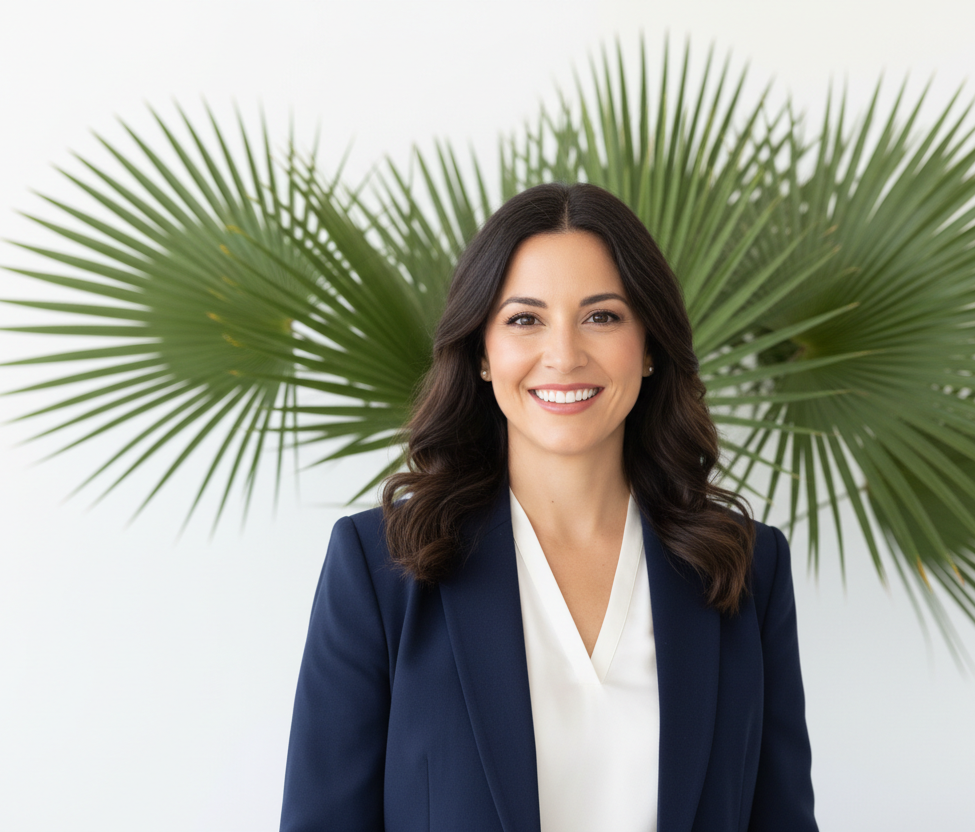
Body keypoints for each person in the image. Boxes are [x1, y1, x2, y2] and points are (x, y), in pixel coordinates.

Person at [279, 183, 818, 831]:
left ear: (648, 347)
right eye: (525, 319)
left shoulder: (746, 568)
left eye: (602, 316)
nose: (563, 355)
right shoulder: (381, 570)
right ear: (482, 352)